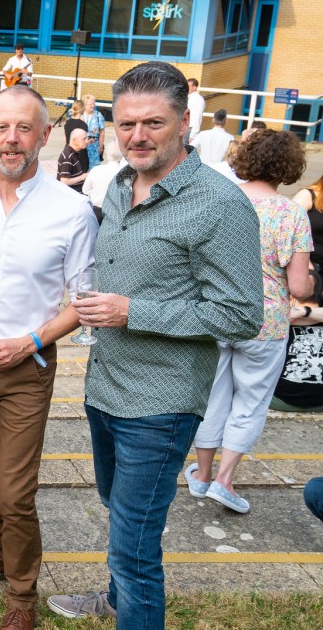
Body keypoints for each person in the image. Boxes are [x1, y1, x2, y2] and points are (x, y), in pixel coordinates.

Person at [49, 61, 263, 628]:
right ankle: (118, 600)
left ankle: (130, 600)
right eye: (125, 124)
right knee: (121, 516)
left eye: (153, 123)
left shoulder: (220, 204)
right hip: (105, 389)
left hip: (162, 402)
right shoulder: (118, 186)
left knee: (135, 546)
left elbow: (243, 315)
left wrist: (132, 311)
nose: (137, 135)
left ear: (184, 122)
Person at [0, 86, 98, 630]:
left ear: (45, 135)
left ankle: (23, 595)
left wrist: (29, 341)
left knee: (15, 488)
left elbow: (84, 302)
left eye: (24, 128)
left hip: (28, 366)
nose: (12, 139)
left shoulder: (74, 211)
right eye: (2, 128)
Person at [187, 129, 314, 514]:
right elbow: (299, 286)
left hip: (217, 314)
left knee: (213, 400)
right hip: (266, 323)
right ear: (289, 167)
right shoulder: (291, 212)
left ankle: (202, 475)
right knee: (251, 403)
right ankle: (225, 480)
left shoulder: (221, 199)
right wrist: (310, 281)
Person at [82, 141, 124, 221]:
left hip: (96, 210)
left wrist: (96, 194)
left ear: (107, 154)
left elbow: (85, 190)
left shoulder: (96, 170)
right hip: (114, 212)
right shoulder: (123, 173)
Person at [57, 128, 90, 194]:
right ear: (75, 140)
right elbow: (64, 181)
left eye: (87, 138)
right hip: (70, 195)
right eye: (84, 139)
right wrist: (83, 177)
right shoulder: (68, 157)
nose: (87, 141)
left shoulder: (73, 152)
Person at [82, 95, 106, 169]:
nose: (93, 106)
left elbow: (102, 132)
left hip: (94, 147)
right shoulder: (80, 115)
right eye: (91, 104)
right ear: (85, 105)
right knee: (82, 168)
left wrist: (100, 146)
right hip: (82, 146)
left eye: (94, 103)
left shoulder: (98, 115)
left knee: (94, 169)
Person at [186, 78, 206, 143]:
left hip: (190, 129)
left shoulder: (198, 100)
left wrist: (193, 136)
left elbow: (198, 117)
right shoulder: (186, 97)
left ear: (194, 88)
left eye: (188, 86)